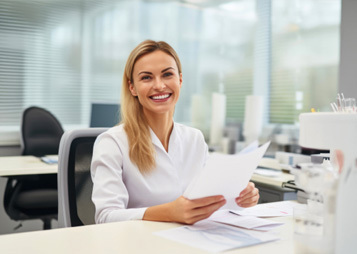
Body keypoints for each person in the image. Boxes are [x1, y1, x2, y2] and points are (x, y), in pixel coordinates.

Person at [91, 40, 259, 225]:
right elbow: (105, 216)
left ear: (179, 80)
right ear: (133, 88)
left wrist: (239, 197)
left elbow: (210, 198)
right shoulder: (112, 143)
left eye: (167, 74)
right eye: (146, 77)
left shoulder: (194, 138)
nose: (159, 85)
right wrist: (169, 212)